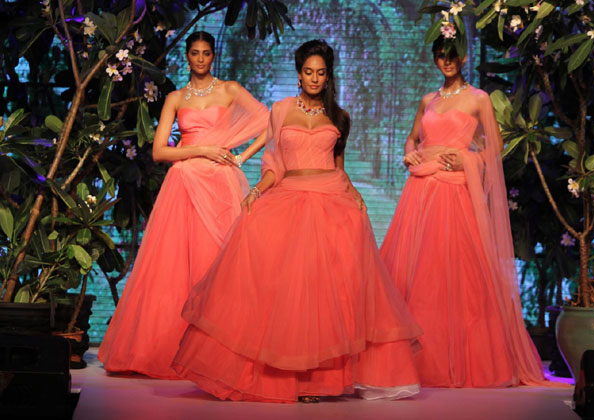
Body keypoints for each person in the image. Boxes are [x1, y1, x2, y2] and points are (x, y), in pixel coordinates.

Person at [172, 40, 421, 402]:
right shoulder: (280, 109)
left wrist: (355, 196)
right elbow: (276, 164)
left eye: (321, 73)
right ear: (299, 72)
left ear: (328, 75)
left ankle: (321, 380)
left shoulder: (339, 117)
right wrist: (258, 190)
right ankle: (289, 378)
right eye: (308, 72)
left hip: (333, 202)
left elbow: (339, 168)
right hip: (290, 198)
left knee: (329, 297)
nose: (314, 78)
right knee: (289, 292)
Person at [98, 31, 269, 379]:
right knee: (173, 270)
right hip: (184, 183)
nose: (201, 58)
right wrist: (201, 150)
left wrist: (243, 157)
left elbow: (270, 122)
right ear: (188, 57)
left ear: (212, 56)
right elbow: (160, 151)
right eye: (195, 53)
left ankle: (220, 354)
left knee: (219, 265)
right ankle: (166, 351)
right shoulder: (175, 98)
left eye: (207, 53)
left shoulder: (230, 90)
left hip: (221, 184)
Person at [380, 37, 549, 387]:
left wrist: (468, 157)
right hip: (420, 193)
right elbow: (413, 139)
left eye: (452, 55)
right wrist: (410, 153)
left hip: (455, 192)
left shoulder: (479, 99)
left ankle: (466, 362)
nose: (447, 61)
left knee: (459, 275)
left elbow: (496, 149)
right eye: (441, 56)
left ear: (464, 56)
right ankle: (414, 364)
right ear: (434, 60)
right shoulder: (428, 99)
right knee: (417, 274)